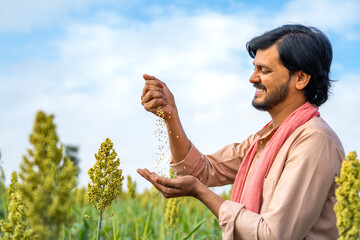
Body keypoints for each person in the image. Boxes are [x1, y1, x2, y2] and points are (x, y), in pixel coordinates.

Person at [138, 24, 344, 240]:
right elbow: (201, 171)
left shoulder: (314, 140)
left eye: (264, 70)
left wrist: (200, 192)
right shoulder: (264, 140)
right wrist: (170, 116)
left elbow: (274, 235)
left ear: (301, 78)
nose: (253, 78)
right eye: (255, 68)